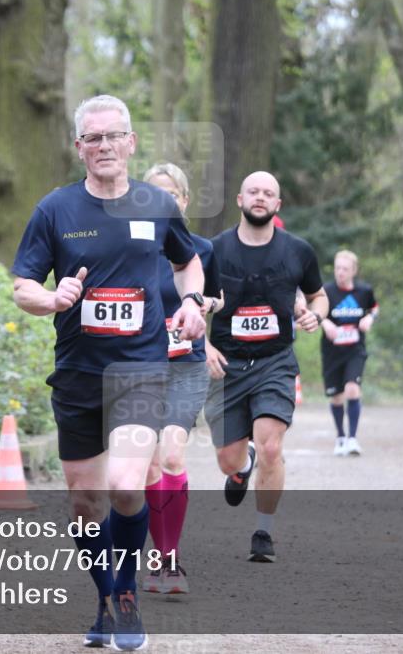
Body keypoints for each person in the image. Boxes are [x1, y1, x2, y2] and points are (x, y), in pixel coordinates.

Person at [11, 95, 206, 650]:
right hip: (76, 375)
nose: (103, 146)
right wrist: (50, 300)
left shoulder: (156, 205)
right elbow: (22, 284)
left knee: (125, 484)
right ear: (79, 148)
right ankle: (104, 597)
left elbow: (186, 258)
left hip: (140, 370)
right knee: (83, 503)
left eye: (112, 136)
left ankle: (125, 595)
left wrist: (191, 303)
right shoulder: (55, 210)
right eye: (92, 138)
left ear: (130, 143)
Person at [204, 171, 328, 563]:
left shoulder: (298, 251)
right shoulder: (214, 251)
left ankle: (263, 532)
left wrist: (317, 316)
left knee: (272, 444)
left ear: (278, 206)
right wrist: (203, 346)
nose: (260, 197)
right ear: (239, 199)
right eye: (253, 191)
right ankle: (242, 468)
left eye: (268, 193)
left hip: (275, 361)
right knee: (228, 458)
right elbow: (191, 303)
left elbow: (318, 296)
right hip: (227, 364)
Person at [140, 163, 222, 595]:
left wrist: (206, 328)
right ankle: (159, 555)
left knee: (172, 455)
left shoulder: (201, 250)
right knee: (150, 464)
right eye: (155, 194)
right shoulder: (132, 247)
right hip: (140, 365)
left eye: (171, 194)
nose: (164, 202)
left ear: (184, 201)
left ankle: (172, 561)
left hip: (185, 364)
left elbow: (218, 299)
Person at [319, 250, 378, 456]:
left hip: (355, 350)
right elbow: (317, 312)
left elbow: (374, 308)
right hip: (332, 351)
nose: (340, 273)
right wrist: (326, 324)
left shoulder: (364, 291)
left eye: (345, 269)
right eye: (337, 268)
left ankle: (353, 439)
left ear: (354, 271)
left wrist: (369, 319)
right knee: (336, 397)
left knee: (352, 389)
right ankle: (341, 437)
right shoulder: (326, 291)